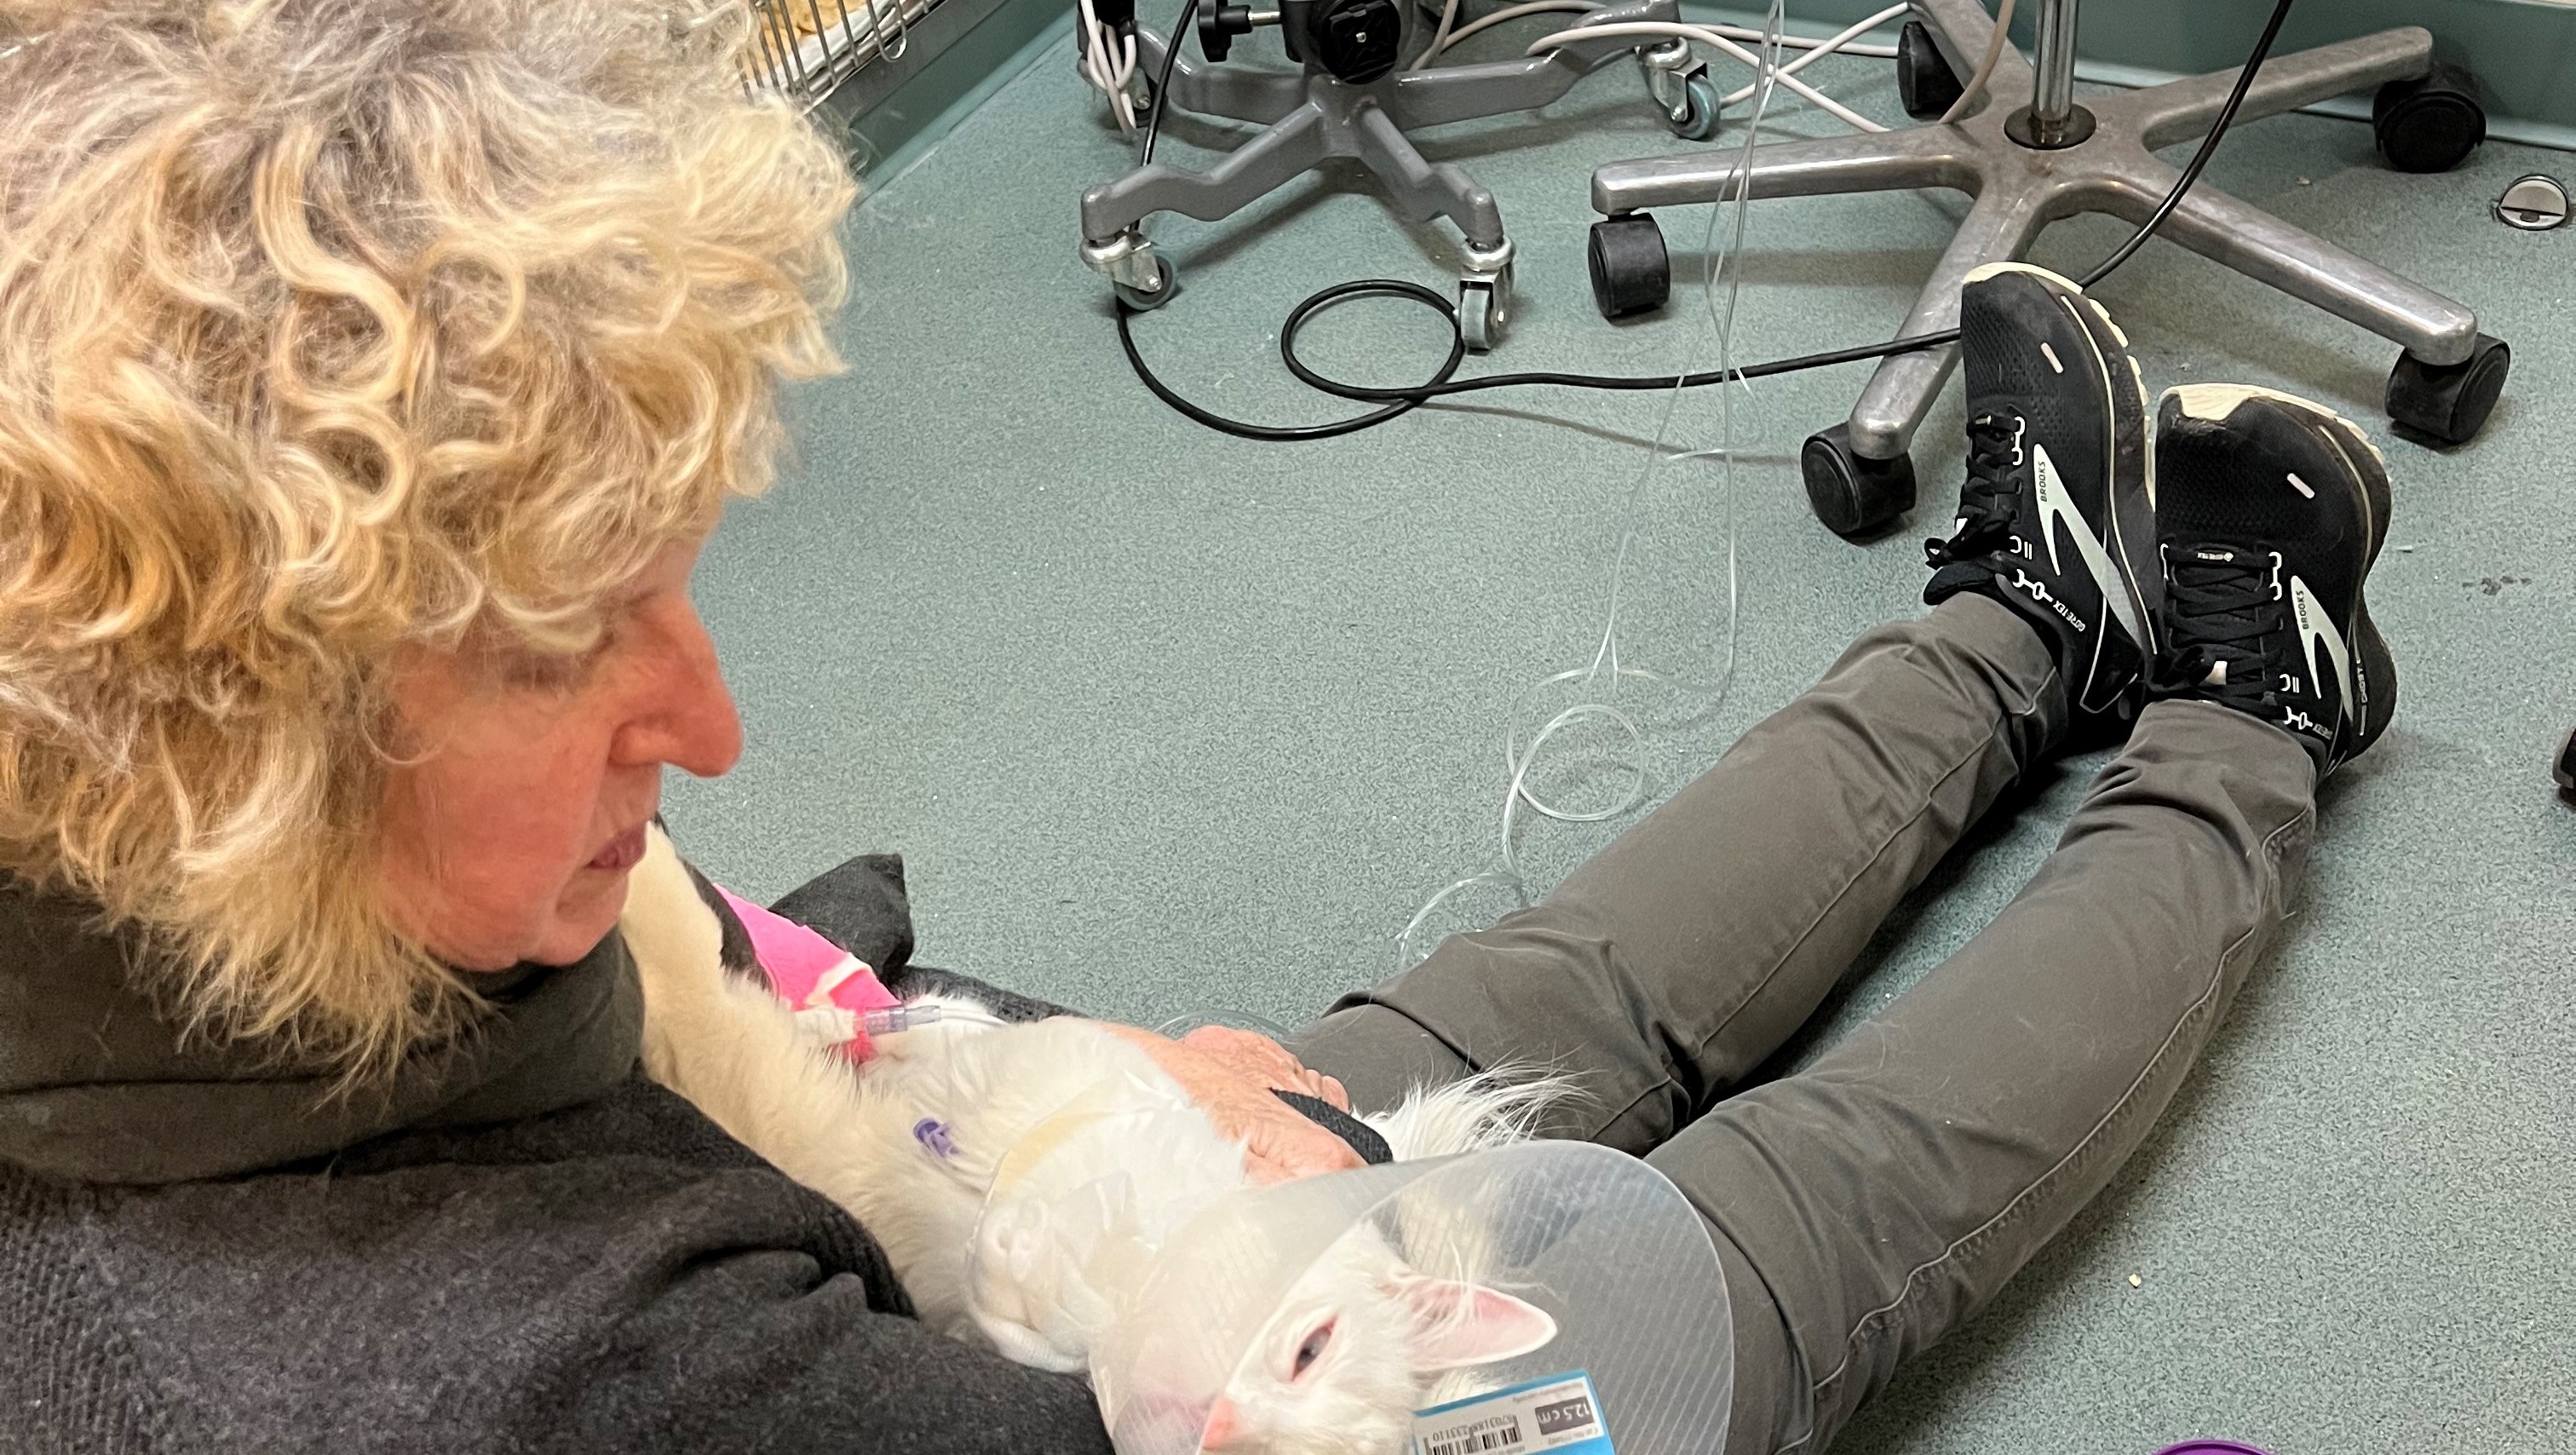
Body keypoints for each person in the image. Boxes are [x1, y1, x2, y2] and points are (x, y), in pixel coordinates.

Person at [0, 2, 2392, 1452]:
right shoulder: (548, 1383)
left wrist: (1131, 1080)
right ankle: (2244, 725)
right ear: (248, 777)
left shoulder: (148, 872)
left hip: (1006, 1223)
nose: (710, 722)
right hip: (1161, 1400)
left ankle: (2016, 630)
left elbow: (768, 998)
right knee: (1810, 1200)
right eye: (567, 651)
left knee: (1553, 993)